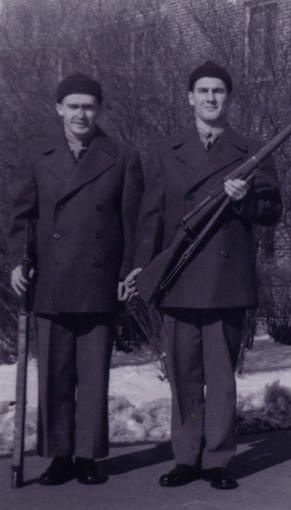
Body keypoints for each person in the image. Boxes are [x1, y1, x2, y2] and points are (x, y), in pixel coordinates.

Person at [128, 61, 282, 490]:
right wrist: (143, 264)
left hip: (225, 279)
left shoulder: (253, 150)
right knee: (183, 375)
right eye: (203, 91)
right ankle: (185, 457)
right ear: (190, 98)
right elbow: (151, 215)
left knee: (220, 377)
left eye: (218, 91)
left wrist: (245, 198)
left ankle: (217, 460)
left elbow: (272, 211)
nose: (211, 98)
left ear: (228, 98)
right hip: (178, 274)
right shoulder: (166, 150)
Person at [8, 73, 143, 485]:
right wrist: (18, 261)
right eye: (73, 106)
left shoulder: (121, 156)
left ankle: (87, 456)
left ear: (98, 110)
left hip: (100, 281)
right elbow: (21, 217)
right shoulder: (37, 155)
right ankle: (59, 455)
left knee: (93, 373)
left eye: (88, 106)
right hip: (50, 279)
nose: (81, 114)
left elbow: (131, 222)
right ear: (59, 109)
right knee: (55, 373)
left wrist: (127, 272)